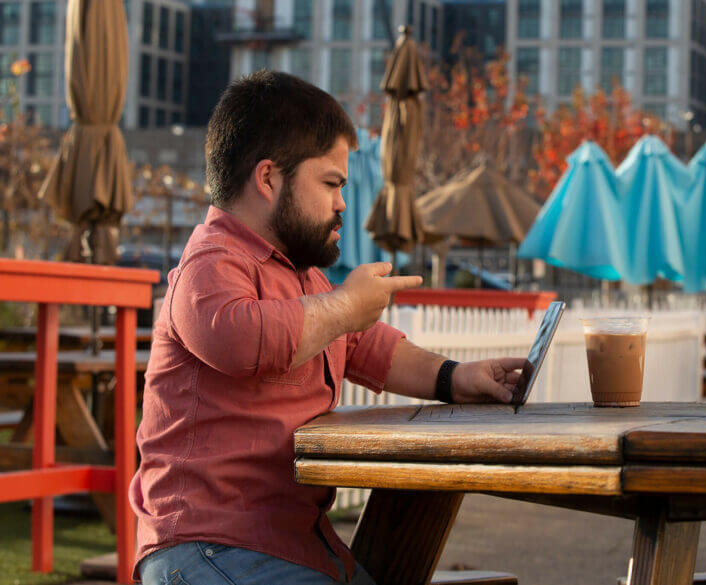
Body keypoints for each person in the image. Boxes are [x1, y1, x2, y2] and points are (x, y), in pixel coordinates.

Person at [130, 71, 526, 585]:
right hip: (206, 546)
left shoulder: (301, 274)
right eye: (331, 183)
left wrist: (458, 377)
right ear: (269, 178)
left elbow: (368, 345)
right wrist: (344, 306)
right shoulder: (210, 263)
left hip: (294, 546)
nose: (342, 203)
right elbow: (240, 337)